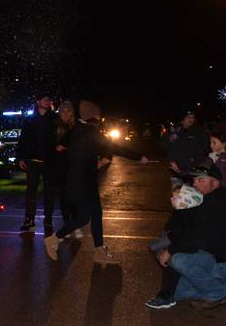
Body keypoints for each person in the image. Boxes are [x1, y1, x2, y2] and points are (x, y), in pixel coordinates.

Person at [43, 111, 149, 263]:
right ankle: (54, 238)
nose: (100, 122)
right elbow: (114, 147)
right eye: (98, 119)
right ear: (92, 119)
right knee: (83, 218)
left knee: (96, 214)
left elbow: (59, 148)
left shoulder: (75, 131)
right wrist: (138, 157)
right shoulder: (89, 131)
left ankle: (99, 250)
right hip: (81, 182)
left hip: (83, 180)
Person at [153, 164, 226, 309]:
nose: (195, 184)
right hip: (209, 260)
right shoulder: (202, 200)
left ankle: (217, 294)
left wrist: (169, 251)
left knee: (178, 259)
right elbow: (178, 231)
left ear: (215, 182)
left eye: (201, 180)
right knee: (176, 291)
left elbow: (194, 239)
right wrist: (179, 209)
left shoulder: (214, 204)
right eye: (195, 180)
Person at [145, 183, 203, 309]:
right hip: (186, 251)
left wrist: (167, 251)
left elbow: (180, 238)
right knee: (177, 283)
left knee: (172, 265)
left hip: (192, 254)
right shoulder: (183, 214)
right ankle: (169, 294)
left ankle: (165, 297)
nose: (171, 199)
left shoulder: (186, 217)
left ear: (186, 200)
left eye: (176, 197)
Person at [17, 95, 58, 233]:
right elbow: (23, 139)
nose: (48, 101)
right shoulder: (29, 119)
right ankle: (29, 221)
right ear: (38, 102)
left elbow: (62, 136)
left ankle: (48, 221)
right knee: (30, 193)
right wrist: (21, 158)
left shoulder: (54, 119)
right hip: (32, 161)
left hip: (49, 161)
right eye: (45, 99)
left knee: (49, 193)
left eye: (49, 99)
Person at [45, 101, 76, 233]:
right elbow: (49, 144)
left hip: (68, 166)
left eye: (68, 111)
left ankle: (68, 223)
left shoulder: (75, 127)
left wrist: (65, 145)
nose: (66, 114)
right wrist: (56, 147)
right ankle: (48, 221)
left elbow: (74, 142)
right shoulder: (53, 125)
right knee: (50, 196)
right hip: (53, 165)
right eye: (63, 111)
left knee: (66, 198)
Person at [164, 110, 209, 175]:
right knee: (177, 184)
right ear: (183, 118)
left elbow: (203, 149)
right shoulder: (174, 129)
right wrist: (171, 161)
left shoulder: (199, 132)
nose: (191, 119)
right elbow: (164, 146)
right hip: (175, 168)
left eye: (193, 117)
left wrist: (197, 165)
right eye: (188, 117)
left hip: (192, 169)